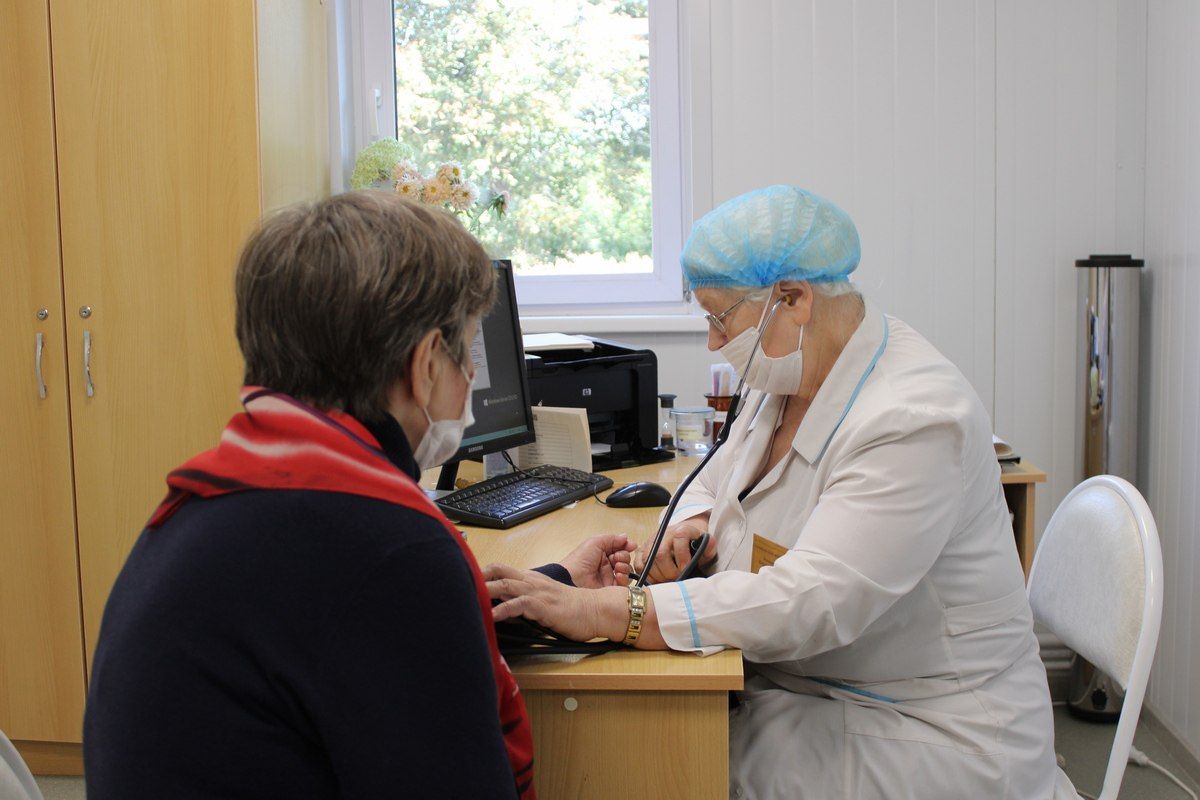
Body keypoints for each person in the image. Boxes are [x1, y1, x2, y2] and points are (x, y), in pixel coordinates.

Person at [485, 185, 1077, 799]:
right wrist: (695, 528)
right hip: (811, 686)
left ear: (792, 299)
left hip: (927, 725)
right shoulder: (792, 373)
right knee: (648, 737)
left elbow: (814, 600)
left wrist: (613, 612)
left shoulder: (914, 417)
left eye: (719, 318)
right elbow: (714, 476)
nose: (712, 342)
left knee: (663, 762)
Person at [83, 192, 634, 799]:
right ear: (426, 363)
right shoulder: (388, 546)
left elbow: (340, 636)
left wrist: (554, 582)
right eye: (469, 352)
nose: (473, 378)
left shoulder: (223, 495)